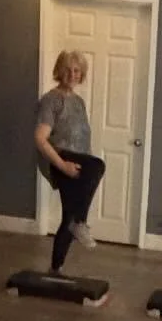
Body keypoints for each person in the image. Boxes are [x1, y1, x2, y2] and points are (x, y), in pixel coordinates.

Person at [35, 50, 106, 275]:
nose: (72, 74)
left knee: (69, 216)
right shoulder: (51, 100)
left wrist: (87, 169)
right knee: (98, 166)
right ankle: (81, 223)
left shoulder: (78, 102)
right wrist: (63, 166)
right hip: (61, 160)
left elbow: (83, 139)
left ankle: (55, 268)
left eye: (77, 70)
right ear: (59, 71)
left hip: (79, 162)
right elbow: (40, 138)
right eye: (67, 69)